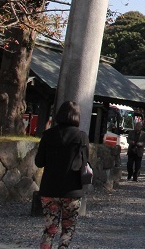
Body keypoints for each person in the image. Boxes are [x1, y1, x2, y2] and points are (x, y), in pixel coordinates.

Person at [34, 100, 89, 249]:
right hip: (72, 189)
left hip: (49, 189)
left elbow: (39, 162)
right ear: (77, 116)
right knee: (68, 228)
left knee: (50, 228)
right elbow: (84, 163)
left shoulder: (48, 135)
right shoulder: (81, 137)